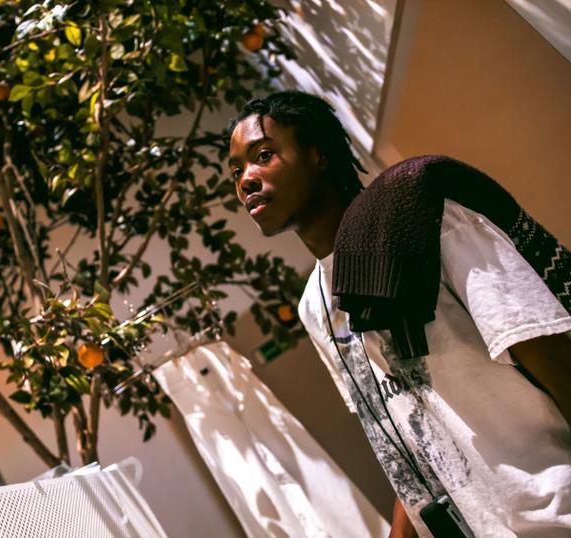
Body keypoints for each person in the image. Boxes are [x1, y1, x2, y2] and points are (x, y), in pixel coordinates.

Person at [227, 90, 571, 538]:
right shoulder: (314, 305)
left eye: (263, 155)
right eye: (236, 171)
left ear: (319, 155)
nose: (245, 180)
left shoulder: (428, 222)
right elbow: (405, 432)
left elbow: (554, 356)